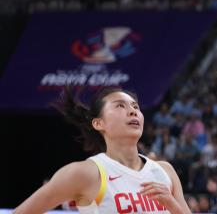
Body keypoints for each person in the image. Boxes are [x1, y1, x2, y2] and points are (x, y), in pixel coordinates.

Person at [12, 88, 192, 214]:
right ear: (99, 123)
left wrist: (171, 205)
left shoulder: (165, 171)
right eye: (120, 106)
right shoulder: (85, 173)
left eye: (135, 107)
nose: (133, 111)